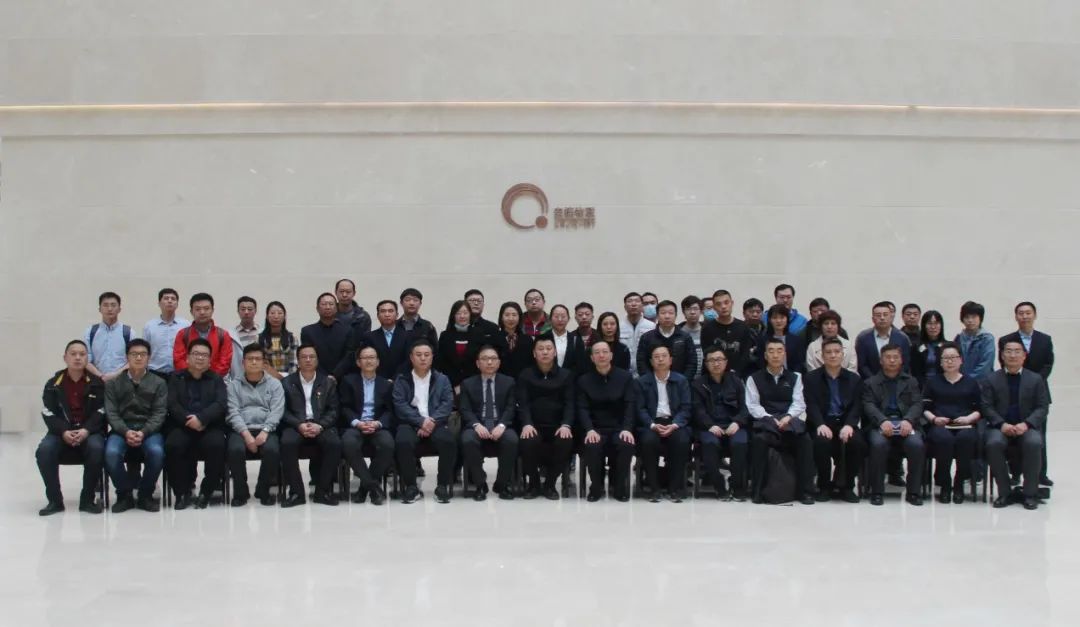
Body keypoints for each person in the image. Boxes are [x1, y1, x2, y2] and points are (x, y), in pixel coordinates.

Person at [35, 340, 107, 516]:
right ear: (65, 358)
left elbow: (102, 411)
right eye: (73, 354)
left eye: (82, 354)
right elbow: (47, 412)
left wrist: (86, 430)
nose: (77, 358)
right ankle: (55, 500)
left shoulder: (97, 384)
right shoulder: (53, 384)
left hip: (89, 432)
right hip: (61, 432)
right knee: (44, 451)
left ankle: (87, 499)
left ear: (87, 358)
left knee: (97, 448)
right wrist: (64, 431)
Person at [746, 338, 815, 505]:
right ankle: (758, 491)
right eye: (771, 351)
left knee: (805, 440)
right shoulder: (754, 378)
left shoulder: (796, 377)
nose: (775, 355)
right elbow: (753, 405)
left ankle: (805, 491)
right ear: (765, 355)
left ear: (784, 354)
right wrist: (770, 418)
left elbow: (799, 403)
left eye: (779, 351)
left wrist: (788, 417)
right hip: (766, 422)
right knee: (759, 440)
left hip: (789, 421)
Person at [104, 339, 168, 513]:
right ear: (127, 357)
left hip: (149, 430)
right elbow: (111, 413)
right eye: (134, 354)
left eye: (143, 354)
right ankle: (124, 494)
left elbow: (159, 413)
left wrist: (144, 432)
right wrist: (126, 432)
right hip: (121, 430)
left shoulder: (159, 383)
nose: (138, 358)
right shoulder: (113, 383)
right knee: (111, 453)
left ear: (149, 357)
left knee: (156, 452)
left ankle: (145, 494)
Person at [983, 339, 1049, 510]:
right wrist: (1001, 424)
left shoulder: (1035, 379)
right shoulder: (991, 379)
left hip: (1026, 426)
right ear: (1002, 355)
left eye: (1017, 351)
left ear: (1024, 356)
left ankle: (1030, 493)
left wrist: (1026, 424)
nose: (1012, 355)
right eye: (1008, 351)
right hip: (1000, 427)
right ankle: (1004, 492)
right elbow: (986, 406)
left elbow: (1042, 407)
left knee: (1034, 442)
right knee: (993, 443)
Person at [164, 338, 229, 510]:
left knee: (217, 445)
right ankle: (181, 493)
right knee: (173, 445)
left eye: (204, 355)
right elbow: (172, 404)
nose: (200, 358)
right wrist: (189, 420)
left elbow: (221, 403)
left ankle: (206, 492)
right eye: (196, 354)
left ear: (210, 360)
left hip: (209, 426)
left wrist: (201, 419)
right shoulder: (176, 377)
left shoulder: (216, 379)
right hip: (182, 425)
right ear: (187, 358)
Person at [997, 301, 1054, 486]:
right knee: (1014, 434)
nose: (1024, 316)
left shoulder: (1045, 339)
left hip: (1038, 392)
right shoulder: (1006, 340)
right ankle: (1015, 473)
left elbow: (1048, 364)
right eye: (1021, 313)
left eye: (1028, 313)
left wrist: (1033, 381)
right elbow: (1004, 364)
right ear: (1016, 316)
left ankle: (1040, 474)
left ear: (1034, 315)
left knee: (1038, 436)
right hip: (1013, 392)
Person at [392, 340, 457, 504]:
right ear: (411, 358)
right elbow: (400, 405)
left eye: (426, 355)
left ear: (432, 357)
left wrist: (431, 421)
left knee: (448, 441)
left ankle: (442, 486)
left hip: (436, 423)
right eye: (418, 355)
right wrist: (420, 422)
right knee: (402, 441)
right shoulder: (402, 380)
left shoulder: (442, 379)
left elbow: (447, 403)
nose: (423, 358)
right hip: (410, 423)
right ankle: (411, 487)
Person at [862, 344, 925, 506]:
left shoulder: (911, 381)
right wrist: (882, 421)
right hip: (880, 424)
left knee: (916, 445)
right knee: (878, 444)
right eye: (888, 357)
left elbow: (917, 404)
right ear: (881, 360)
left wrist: (908, 420)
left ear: (901, 360)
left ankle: (913, 492)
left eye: (895, 357)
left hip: (906, 423)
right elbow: (869, 405)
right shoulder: (870, 383)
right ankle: (876, 491)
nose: (892, 360)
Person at [279, 344, 343, 507]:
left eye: (312, 357)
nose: (308, 360)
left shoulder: (327, 382)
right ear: (298, 360)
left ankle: (322, 492)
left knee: (334, 444)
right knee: (287, 443)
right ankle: (296, 493)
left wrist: (320, 426)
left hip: (320, 425)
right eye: (304, 357)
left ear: (317, 360)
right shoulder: (286, 382)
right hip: (296, 425)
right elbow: (283, 411)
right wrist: (299, 424)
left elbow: (334, 410)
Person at [805, 339, 866, 503]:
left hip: (844, 423)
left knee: (856, 442)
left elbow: (857, 406)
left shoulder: (854, 379)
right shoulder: (811, 378)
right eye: (828, 352)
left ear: (842, 354)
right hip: (822, 422)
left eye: (837, 352)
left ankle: (847, 486)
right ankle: (824, 486)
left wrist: (849, 425)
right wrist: (820, 424)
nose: (833, 355)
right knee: (821, 442)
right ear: (822, 356)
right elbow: (811, 405)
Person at [225, 344, 285, 507]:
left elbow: (277, 411)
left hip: (266, 428)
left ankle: (263, 490)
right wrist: (246, 435)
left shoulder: (275, 384)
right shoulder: (233, 385)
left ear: (264, 362)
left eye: (258, 359)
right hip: (240, 429)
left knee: (272, 450)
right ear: (243, 362)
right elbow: (232, 412)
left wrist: (265, 431)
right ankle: (240, 492)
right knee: (235, 450)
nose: (253, 362)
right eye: (250, 359)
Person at [923, 342, 982, 504]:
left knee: (966, 439)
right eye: (946, 358)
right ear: (940, 362)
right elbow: (925, 408)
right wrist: (934, 419)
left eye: (953, 357)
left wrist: (969, 419)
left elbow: (979, 409)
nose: (949, 361)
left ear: (961, 360)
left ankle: (959, 483)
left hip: (965, 424)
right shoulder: (933, 382)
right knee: (944, 439)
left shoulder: (971, 382)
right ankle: (945, 484)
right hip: (940, 424)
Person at [576, 341, 636, 502]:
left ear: (611, 355)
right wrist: (589, 429)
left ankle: (619, 486)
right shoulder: (583, 380)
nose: (601, 355)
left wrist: (627, 428)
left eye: (604, 352)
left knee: (626, 443)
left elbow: (630, 405)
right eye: (597, 352)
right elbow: (582, 408)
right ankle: (596, 487)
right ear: (592, 358)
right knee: (592, 444)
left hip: (619, 428)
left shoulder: (625, 377)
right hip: (595, 428)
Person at [517, 337, 575, 500]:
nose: (545, 352)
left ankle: (550, 484)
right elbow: (523, 403)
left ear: (555, 352)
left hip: (557, 425)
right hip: (534, 424)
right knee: (527, 440)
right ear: (534, 353)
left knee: (565, 440)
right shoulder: (526, 375)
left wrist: (566, 425)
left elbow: (570, 403)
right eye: (540, 349)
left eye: (549, 348)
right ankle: (534, 484)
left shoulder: (566, 375)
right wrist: (527, 424)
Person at [459, 346, 519, 501]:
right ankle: (480, 484)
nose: (489, 362)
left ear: (499, 363)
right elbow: (465, 409)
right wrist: (476, 425)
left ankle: (502, 484)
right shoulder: (467, 383)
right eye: (485, 359)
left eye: (493, 359)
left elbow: (511, 407)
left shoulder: (509, 382)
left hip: (501, 423)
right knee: (468, 439)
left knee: (511, 440)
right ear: (478, 363)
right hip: (477, 424)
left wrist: (502, 425)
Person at [636, 345, 692, 502]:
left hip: (674, 422)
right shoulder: (642, 382)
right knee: (648, 441)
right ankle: (654, 489)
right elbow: (640, 409)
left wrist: (675, 424)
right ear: (651, 361)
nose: (660, 359)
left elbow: (686, 408)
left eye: (664, 356)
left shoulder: (681, 380)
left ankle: (674, 489)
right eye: (656, 356)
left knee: (682, 441)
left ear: (671, 360)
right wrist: (652, 425)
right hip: (652, 423)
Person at [692, 345, 749, 500]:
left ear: (726, 362)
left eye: (719, 359)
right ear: (706, 364)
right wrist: (710, 425)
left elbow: (745, 408)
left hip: (733, 425)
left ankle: (736, 485)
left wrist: (737, 422)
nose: (716, 363)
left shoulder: (736, 381)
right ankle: (718, 485)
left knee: (740, 443)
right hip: (709, 427)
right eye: (711, 360)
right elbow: (698, 410)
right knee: (709, 443)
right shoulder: (698, 384)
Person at [339, 345, 395, 506]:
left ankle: (364, 489)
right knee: (348, 443)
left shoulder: (386, 384)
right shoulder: (348, 381)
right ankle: (373, 487)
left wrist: (377, 423)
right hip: (356, 425)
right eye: (365, 358)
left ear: (378, 362)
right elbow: (344, 407)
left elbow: (390, 411)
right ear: (358, 362)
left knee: (388, 444)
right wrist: (358, 423)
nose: (369, 361)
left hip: (377, 425)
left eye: (372, 357)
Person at [173, 292, 233, 377]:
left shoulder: (223, 335)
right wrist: (194, 376)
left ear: (212, 310)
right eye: (197, 309)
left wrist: (210, 378)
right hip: (188, 380)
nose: (202, 312)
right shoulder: (183, 334)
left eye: (206, 308)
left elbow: (225, 362)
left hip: (214, 380)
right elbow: (178, 360)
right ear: (191, 311)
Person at [636, 300, 698, 379]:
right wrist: (651, 382)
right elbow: (641, 363)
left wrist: (683, 382)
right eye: (663, 313)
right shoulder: (647, 337)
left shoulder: (685, 337)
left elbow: (692, 363)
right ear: (657, 316)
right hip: (653, 383)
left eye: (671, 313)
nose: (667, 316)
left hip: (680, 382)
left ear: (675, 315)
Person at [701, 290, 753, 376]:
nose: (723, 306)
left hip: (738, 375)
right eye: (718, 304)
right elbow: (707, 354)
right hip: (714, 375)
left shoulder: (743, 327)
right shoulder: (707, 328)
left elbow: (745, 354)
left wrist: (735, 373)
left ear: (732, 303)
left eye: (726, 302)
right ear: (714, 307)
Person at [300, 293, 351, 379]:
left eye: (331, 304)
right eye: (324, 304)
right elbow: (309, 356)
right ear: (317, 308)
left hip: (342, 378)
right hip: (316, 378)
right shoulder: (307, 331)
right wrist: (324, 377)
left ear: (336, 308)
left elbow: (348, 356)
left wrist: (335, 375)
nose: (327, 307)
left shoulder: (347, 330)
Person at [855, 301, 911, 379]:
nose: (882, 318)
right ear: (873, 319)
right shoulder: (863, 338)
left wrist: (895, 379)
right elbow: (862, 365)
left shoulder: (902, 338)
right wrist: (874, 381)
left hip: (897, 382)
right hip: (870, 383)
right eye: (878, 315)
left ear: (891, 317)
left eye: (885, 315)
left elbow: (905, 363)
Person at [84, 291, 131, 382]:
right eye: (105, 305)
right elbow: (86, 359)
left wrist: (114, 375)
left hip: (121, 381)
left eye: (113, 305)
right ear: (99, 309)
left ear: (119, 309)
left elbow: (132, 360)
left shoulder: (128, 332)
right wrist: (100, 376)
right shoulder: (90, 332)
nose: (109, 309)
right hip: (96, 380)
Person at [436, 300, 483, 391]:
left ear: (470, 315)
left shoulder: (478, 335)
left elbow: (481, 361)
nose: (462, 316)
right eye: (458, 313)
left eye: (465, 313)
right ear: (453, 315)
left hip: (474, 384)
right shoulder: (445, 335)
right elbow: (441, 362)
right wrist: (454, 384)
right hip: (449, 385)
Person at [143, 288, 190, 377]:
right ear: (159, 303)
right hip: (155, 373)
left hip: (179, 373)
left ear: (177, 304)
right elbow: (145, 351)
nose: (170, 301)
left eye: (173, 299)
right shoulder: (149, 326)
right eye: (166, 298)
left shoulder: (186, 325)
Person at [364, 300, 410, 380]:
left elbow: (408, 360)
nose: (387, 314)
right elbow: (368, 360)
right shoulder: (369, 337)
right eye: (383, 311)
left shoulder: (407, 336)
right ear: (378, 316)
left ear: (397, 315)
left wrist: (395, 378)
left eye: (390, 311)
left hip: (402, 380)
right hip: (377, 380)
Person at [754, 305, 806, 374]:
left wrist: (793, 377)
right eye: (774, 318)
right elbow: (761, 362)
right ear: (769, 320)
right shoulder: (762, 340)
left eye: (782, 317)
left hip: (792, 376)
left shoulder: (797, 340)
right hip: (768, 376)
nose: (778, 321)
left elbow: (800, 363)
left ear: (787, 319)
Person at [955, 301, 995, 381]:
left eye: (974, 317)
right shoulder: (958, 338)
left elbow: (986, 365)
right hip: (961, 382)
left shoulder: (987, 338)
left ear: (980, 318)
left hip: (982, 383)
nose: (970, 320)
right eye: (967, 317)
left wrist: (967, 380)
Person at [258, 301, 298, 380]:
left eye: (280, 313)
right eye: (272, 313)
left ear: (284, 316)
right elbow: (260, 363)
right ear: (267, 316)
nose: (276, 316)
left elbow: (294, 363)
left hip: (288, 379)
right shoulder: (259, 339)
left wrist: (288, 381)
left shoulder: (292, 338)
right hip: (266, 379)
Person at [494, 301, 535, 378]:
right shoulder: (494, 338)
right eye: (507, 315)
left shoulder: (527, 339)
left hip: (523, 381)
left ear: (519, 317)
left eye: (514, 315)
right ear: (501, 317)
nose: (511, 318)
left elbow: (531, 364)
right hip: (500, 381)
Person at [620, 292, 656, 374]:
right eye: (630, 301)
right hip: (624, 373)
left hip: (646, 373)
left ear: (642, 306)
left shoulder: (652, 326)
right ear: (625, 307)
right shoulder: (619, 327)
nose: (633, 304)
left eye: (637, 301)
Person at [547, 304, 587, 372]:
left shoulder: (576, 340)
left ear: (568, 319)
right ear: (550, 319)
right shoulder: (542, 338)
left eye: (563, 316)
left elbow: (580, 366)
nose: (560, 319)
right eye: (556, 316)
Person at [910, 310, 946, 386]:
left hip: (944, 386)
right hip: (921, 387)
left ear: (941, 325)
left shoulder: (948, 346)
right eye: (929, 323)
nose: (933, 327)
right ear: (924, 325)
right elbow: (914, 371)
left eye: (936, 323)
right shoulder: (916, 347)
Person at [229, 296, 262, 379]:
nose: (246, 312)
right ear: (238, 311)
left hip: (260, 379)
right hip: (237, 380)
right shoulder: (230, 335)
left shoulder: (262, 333)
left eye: (250, 309)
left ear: (255, 311)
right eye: (243, 309)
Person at [678, 295, 705, 379]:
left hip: (704, 378)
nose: (692, 312)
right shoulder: (678, 332)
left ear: (701, 311)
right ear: (683, 312)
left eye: (695, 309)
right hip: (683, 377)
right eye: (688, 309)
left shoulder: (708, 331)